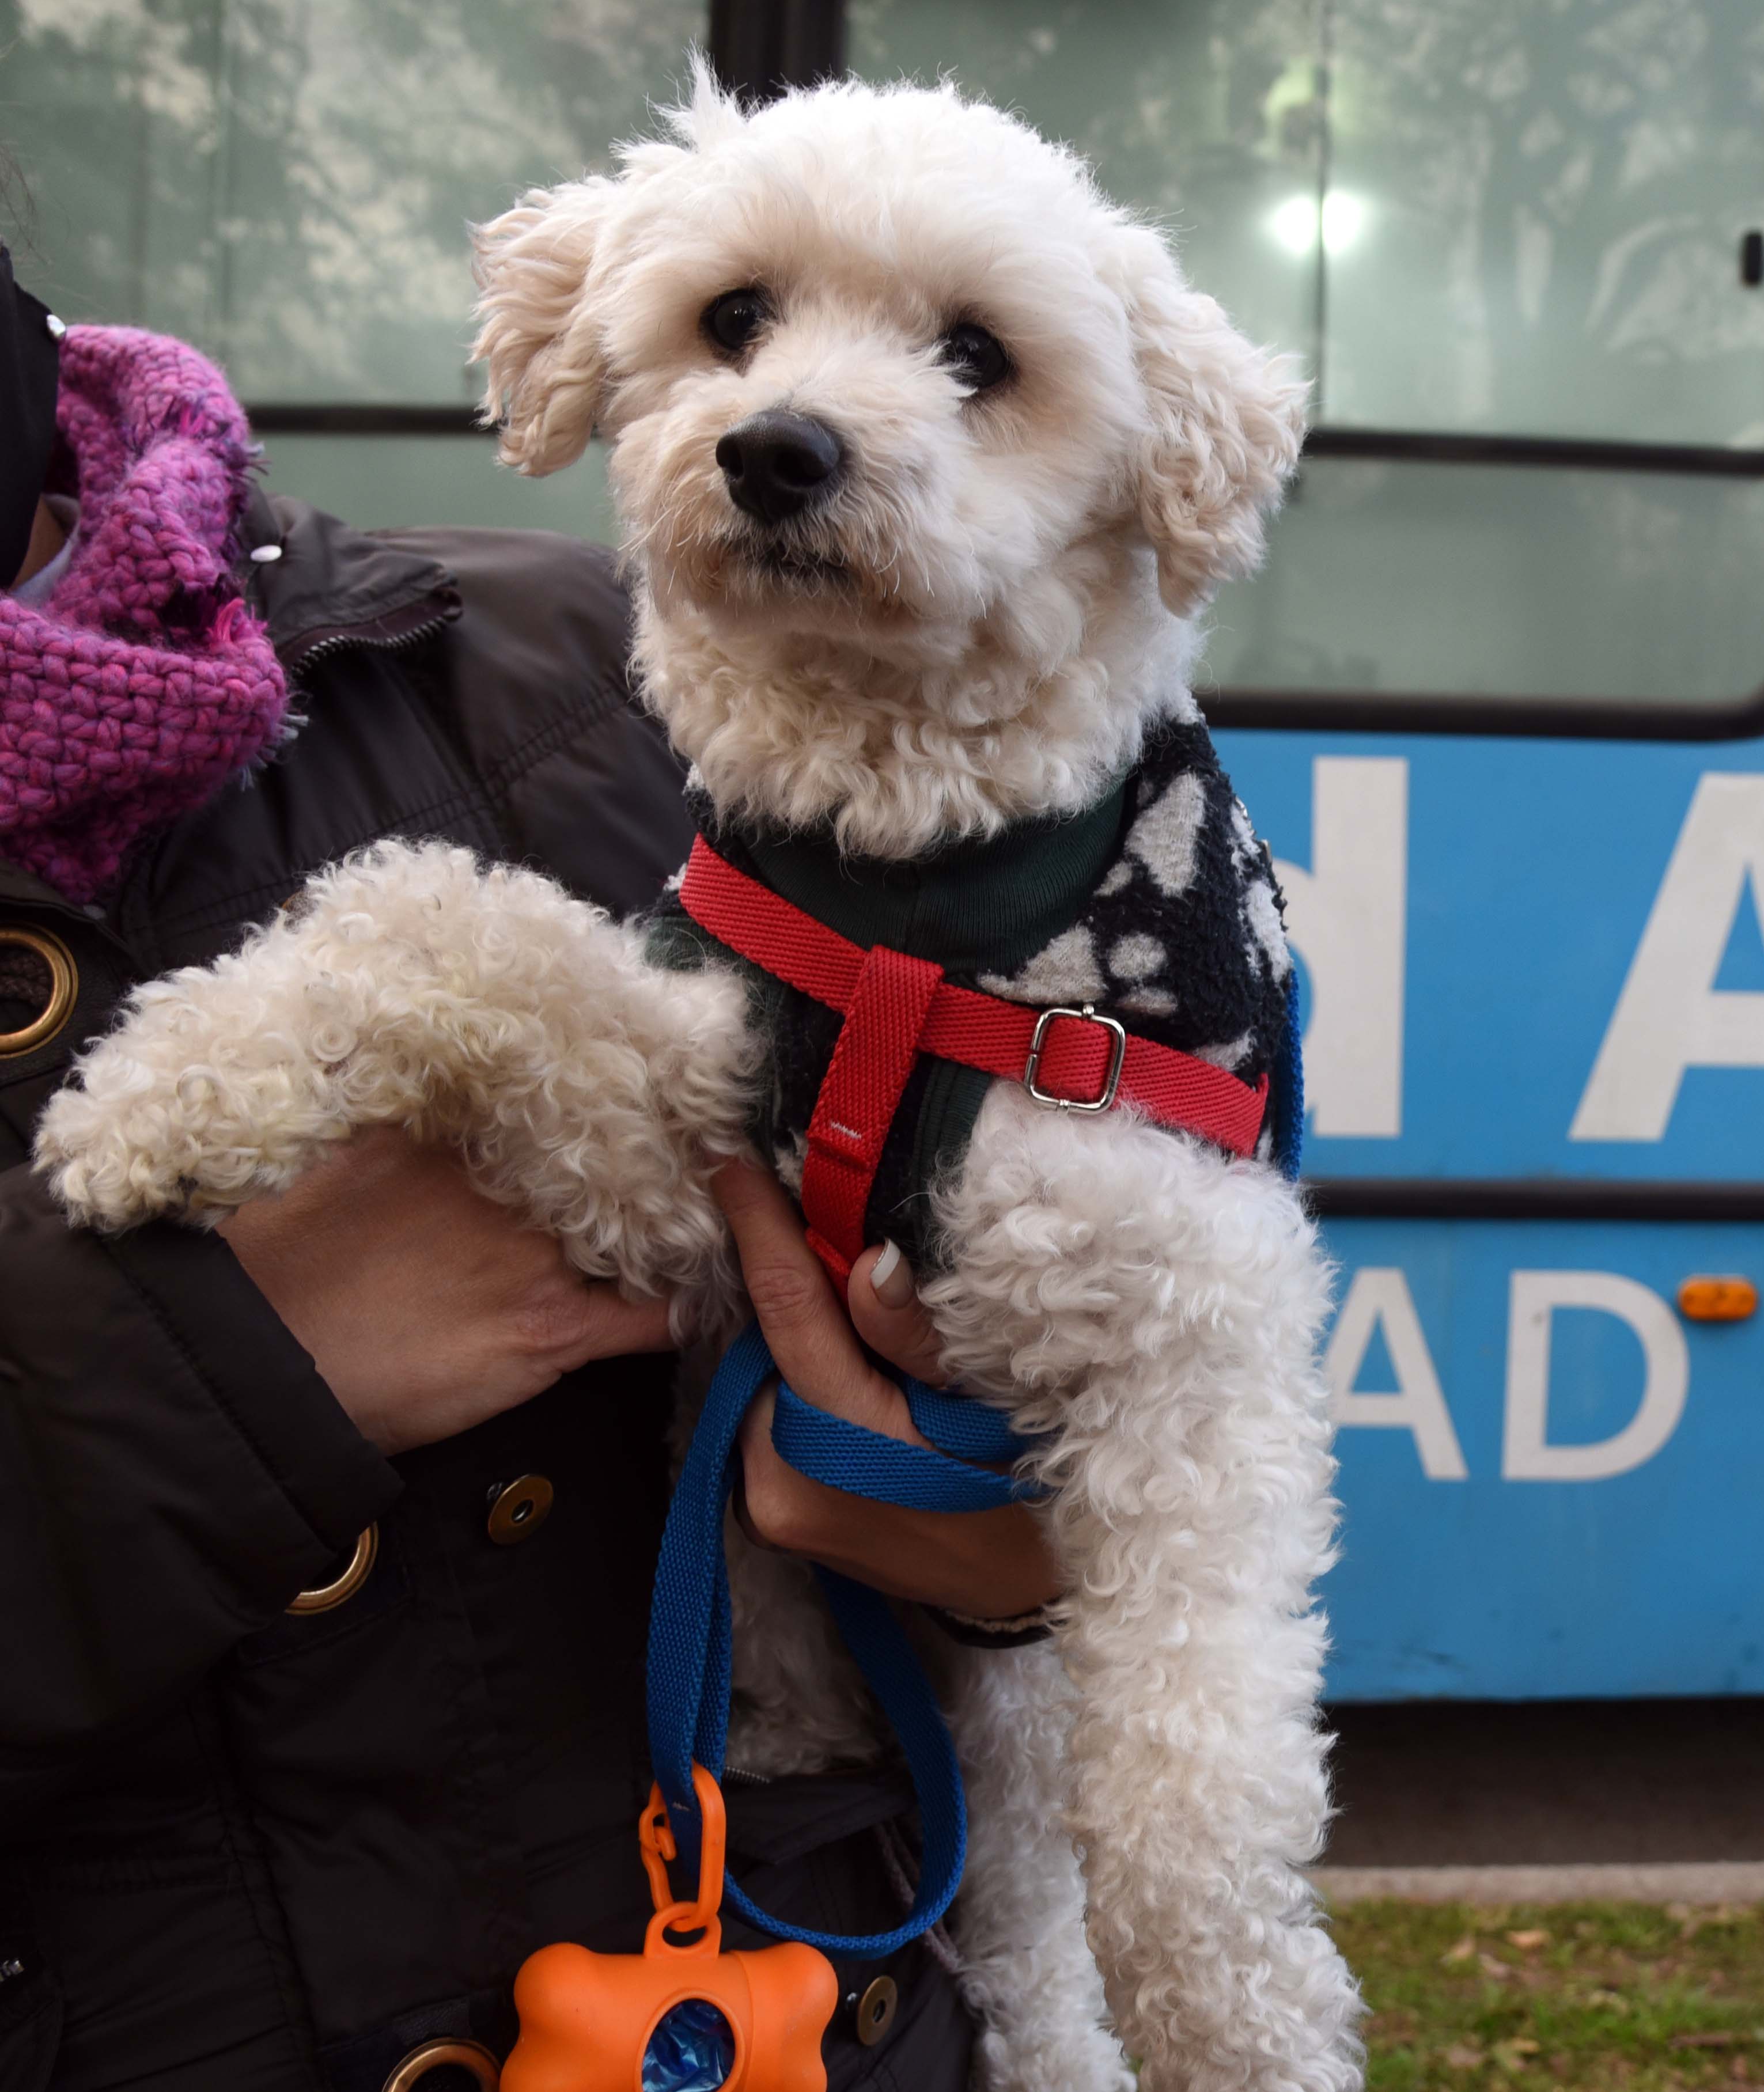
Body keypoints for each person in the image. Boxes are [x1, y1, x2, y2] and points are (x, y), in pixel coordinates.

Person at [0, 267, 1062, 2092]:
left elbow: (1044, 1216)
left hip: (804, 2019)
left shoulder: (602, 670)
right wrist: (220, 1360)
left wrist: (1007, 1526)